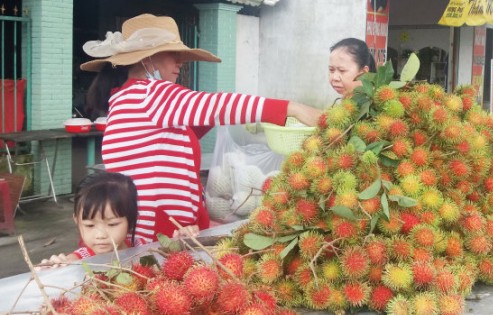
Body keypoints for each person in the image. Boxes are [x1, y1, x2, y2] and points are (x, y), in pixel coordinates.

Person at [80, 14, 322, 243]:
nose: (180, 62)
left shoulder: (125, 100)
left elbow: (177, 138)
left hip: (158, 231)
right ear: (147, 58)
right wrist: (294, 108)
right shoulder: (150, 94)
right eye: (172, 54)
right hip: (161, 237)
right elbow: (219, 105)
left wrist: (219, 117)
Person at [36, 172, 141, 269]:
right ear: (77, 221)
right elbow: (65, 265)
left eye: (112, 224)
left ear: (132, 220)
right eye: (89, 225)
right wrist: (54, 267)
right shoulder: (78, 261)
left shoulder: (142, 249)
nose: (100, 235)